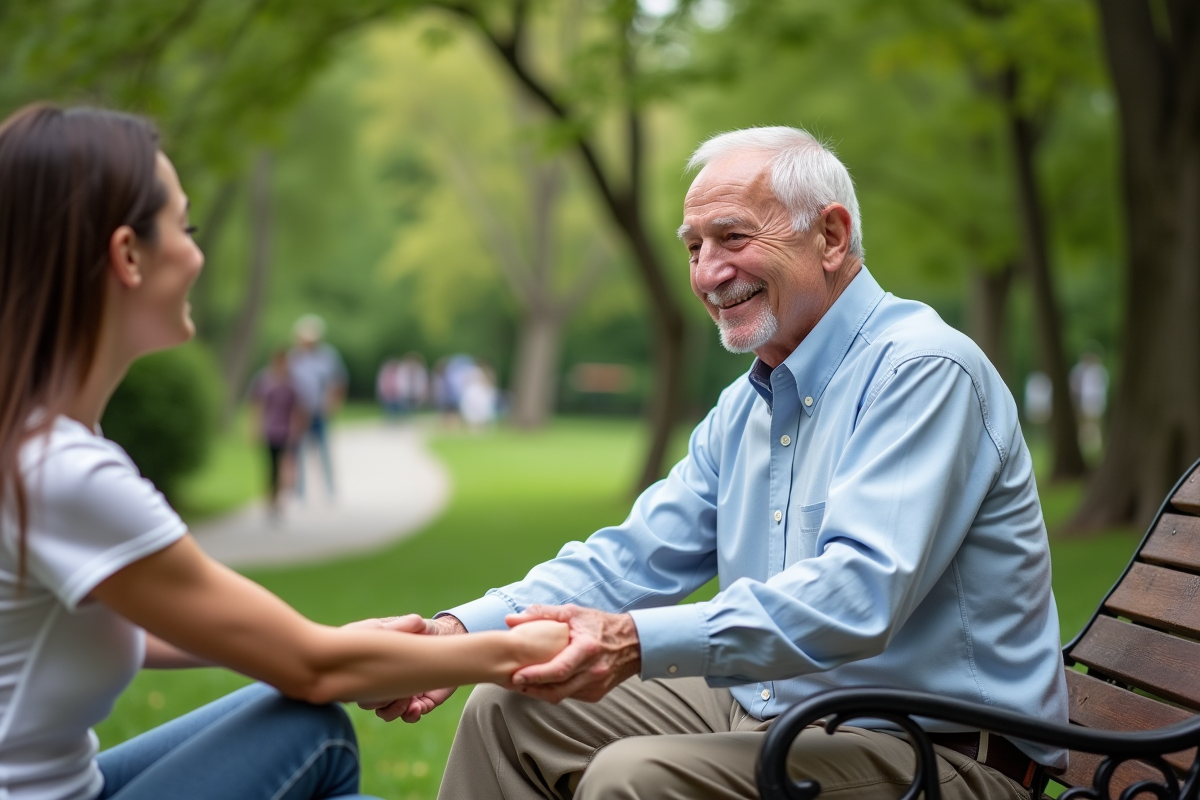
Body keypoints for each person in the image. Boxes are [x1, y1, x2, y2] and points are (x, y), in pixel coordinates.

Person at [371, 127, 1069, 800]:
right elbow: (632, 558)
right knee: (507, 710)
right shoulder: (748, 405)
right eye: (694, 247)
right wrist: (453, 637)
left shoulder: (924, 371)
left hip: (938, 754)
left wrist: (636, 641)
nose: (708, 273)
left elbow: (859, 595)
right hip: (779, 713)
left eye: (733, 237)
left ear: (830, 236)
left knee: (634, 778)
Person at [0, 103, 569, 800]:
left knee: (294, 714)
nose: (197, 253)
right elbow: (314, 670)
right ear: (127, 255)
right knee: (313, 727)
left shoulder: (34, 449)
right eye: (185, 227)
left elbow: (135, 628)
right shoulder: (60, 473)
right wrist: (520, 650)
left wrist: (326, 643)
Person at [288, 314, 347, 499]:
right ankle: (299, 490)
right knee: (298, 451)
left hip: (319, 410)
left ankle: (329, 489)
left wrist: (334, 404)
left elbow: (339, 381)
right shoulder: (294, 357)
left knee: (323, 451)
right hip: (299, 411)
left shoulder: (327, 356)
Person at [250, 348, 306, 519]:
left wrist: (297, 429)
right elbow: (258, 405)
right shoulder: (265, 381)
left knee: (285, 468)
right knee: (271, 468)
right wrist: (255, 427)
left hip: (287, 432)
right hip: (270, 430)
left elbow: (298, 409)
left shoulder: (292, 383)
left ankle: (279, 501)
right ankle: (270, 500)